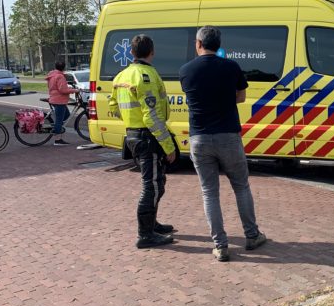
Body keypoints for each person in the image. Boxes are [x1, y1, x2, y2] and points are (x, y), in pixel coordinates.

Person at [179, 25, 266, 262]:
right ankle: (252, 235)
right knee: (241, 186)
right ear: (219, 45)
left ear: (198, 44)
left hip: (199, 138)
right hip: (228, 135)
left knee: (209, 193)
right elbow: (241, 96)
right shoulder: (231, 67)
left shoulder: (186, 70)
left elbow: (192, 96)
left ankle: (220, 245)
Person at [109, 34, 176, 249]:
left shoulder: (121, 75)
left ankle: (151, 225)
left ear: (131, 52)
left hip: (134, 134)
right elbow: (152, 116)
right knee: (151, 186)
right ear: (152, 52)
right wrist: (168, 146)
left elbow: (113, 106)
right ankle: (145, 235)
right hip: (148, 137)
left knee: (158, 183)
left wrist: (131, 122)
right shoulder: (146, 75)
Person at [45, 60, 80, 146]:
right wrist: (75, 90)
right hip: (59, 101)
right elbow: (63, 90)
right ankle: (58, 140)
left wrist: (69, 89)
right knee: (59, 120)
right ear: (64, 67)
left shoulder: (52, 75)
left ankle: (57, 127)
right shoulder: (60, 76)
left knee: (67, 115)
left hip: (54, 98)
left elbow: (53, 87)